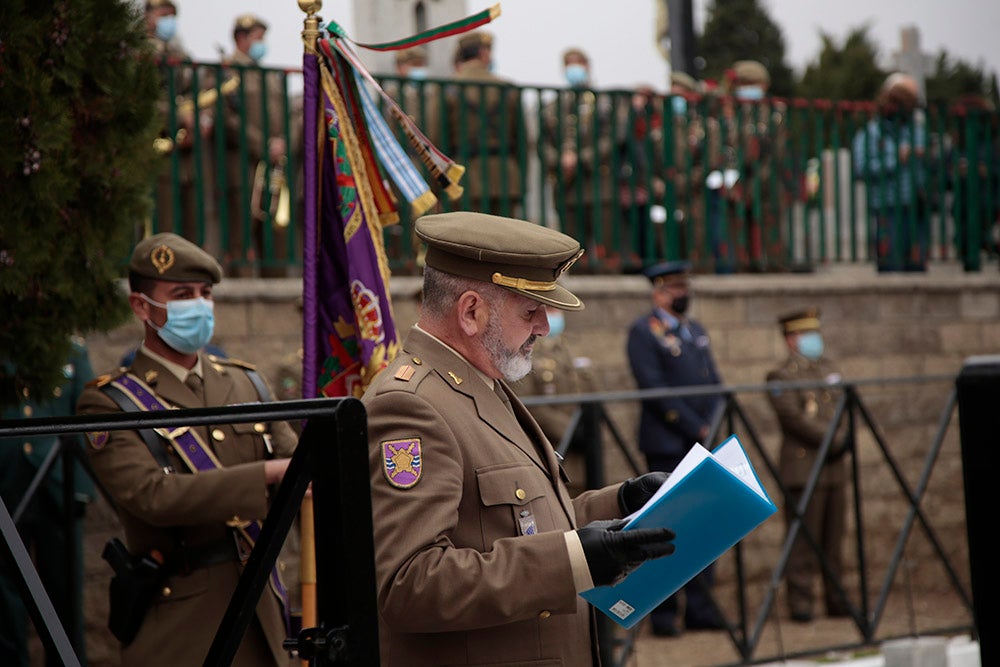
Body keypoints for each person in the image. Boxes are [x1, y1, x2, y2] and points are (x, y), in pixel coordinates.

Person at [361, 211, 677, 665]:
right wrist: (575, 561)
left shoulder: (479, 382)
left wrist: (622, 505)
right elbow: (410, 583)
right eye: (531, 310)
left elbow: (519, 524)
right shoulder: (412, 405)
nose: (544, 327)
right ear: (471, 311)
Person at [76, 233, 299, 667]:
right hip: (183, 623)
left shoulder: (247, 383)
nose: (198, 306)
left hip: (262, 608)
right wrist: (268, 475)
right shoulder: (110, 402)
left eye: (205, 294)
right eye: (181, 295)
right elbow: (154, 497)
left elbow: (300, 472)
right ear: (141, 307)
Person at [626, 260, 725, 636]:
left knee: (704, 527)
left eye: (687, 287)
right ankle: (664, 614)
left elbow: (713, 381)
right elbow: (653, 389)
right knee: (667, 527)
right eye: (678, 289)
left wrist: (711, 424)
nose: (685, 295)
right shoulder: (643, 332)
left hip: (702, 442)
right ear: (660, 292)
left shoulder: (694, 330)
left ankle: (701, 609)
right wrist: (693, 425)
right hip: (668, 443)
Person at [0, 339, 95, 666]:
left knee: (65, 592)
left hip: (58, 482)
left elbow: (86, 417)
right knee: (6, 598)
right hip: (7, 482)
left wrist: (82, 486)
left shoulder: (71, 351)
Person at [766, 308, 850, 623]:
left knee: (834, 538)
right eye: (805, 334)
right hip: (803, 466)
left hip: (833, 466)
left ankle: (837, 599)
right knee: (803, 541)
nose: (814, 340)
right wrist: (832, 438)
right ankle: (801, 603)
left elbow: (844, 405)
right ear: (790, 339)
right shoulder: (781, 375)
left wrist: (840, 437)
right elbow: (793, 417)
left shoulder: (828, 368)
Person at [222, 14, 288, 277]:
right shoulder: (228, 70)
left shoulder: (266, 73)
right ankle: (242, 281)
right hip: (243, 164)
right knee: (242, 231)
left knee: (274, 234)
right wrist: (262, 145)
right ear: (241, 38)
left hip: (273, 164)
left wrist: (282, 141)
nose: (263, 43)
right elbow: (227, 119)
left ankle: (275, 283)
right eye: (257, 38)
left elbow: (281, 112)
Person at [541, 47, 618, 267]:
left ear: (587, 66)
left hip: (598, 184)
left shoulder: (603, 103)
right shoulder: (552, 106)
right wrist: (559, 160)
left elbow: (611, 138)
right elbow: (542, 143)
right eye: (568, 64)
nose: (573, 69)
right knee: (573, 251)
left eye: (578, 64)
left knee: (606, 248)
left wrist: (581, 158)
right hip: (568, 186)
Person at [510, 305, 597, 494]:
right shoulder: (526, 350)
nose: (553, 316)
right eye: (548, 309)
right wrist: (570, 430)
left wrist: (590, 428)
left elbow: (594, 395)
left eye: (557, 310)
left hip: (585, 457)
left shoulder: (573, 348)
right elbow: (528, 404)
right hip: (553, 450)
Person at [852, 72, 928, 271]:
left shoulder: (916, 130)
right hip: (888, 206)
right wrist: (896, 159)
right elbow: (862, 169)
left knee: (917, 266)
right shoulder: (870, 133)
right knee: (892, 264)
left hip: (916, 204)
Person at [446, 31, 524, 217]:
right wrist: (520, 180)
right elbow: (521, 139)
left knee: (469, 242)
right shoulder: (508, 88)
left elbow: (436, 137)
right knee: (505, 242)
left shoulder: (448, 88)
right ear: (484, 54)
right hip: (506, 178)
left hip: (464, 179)